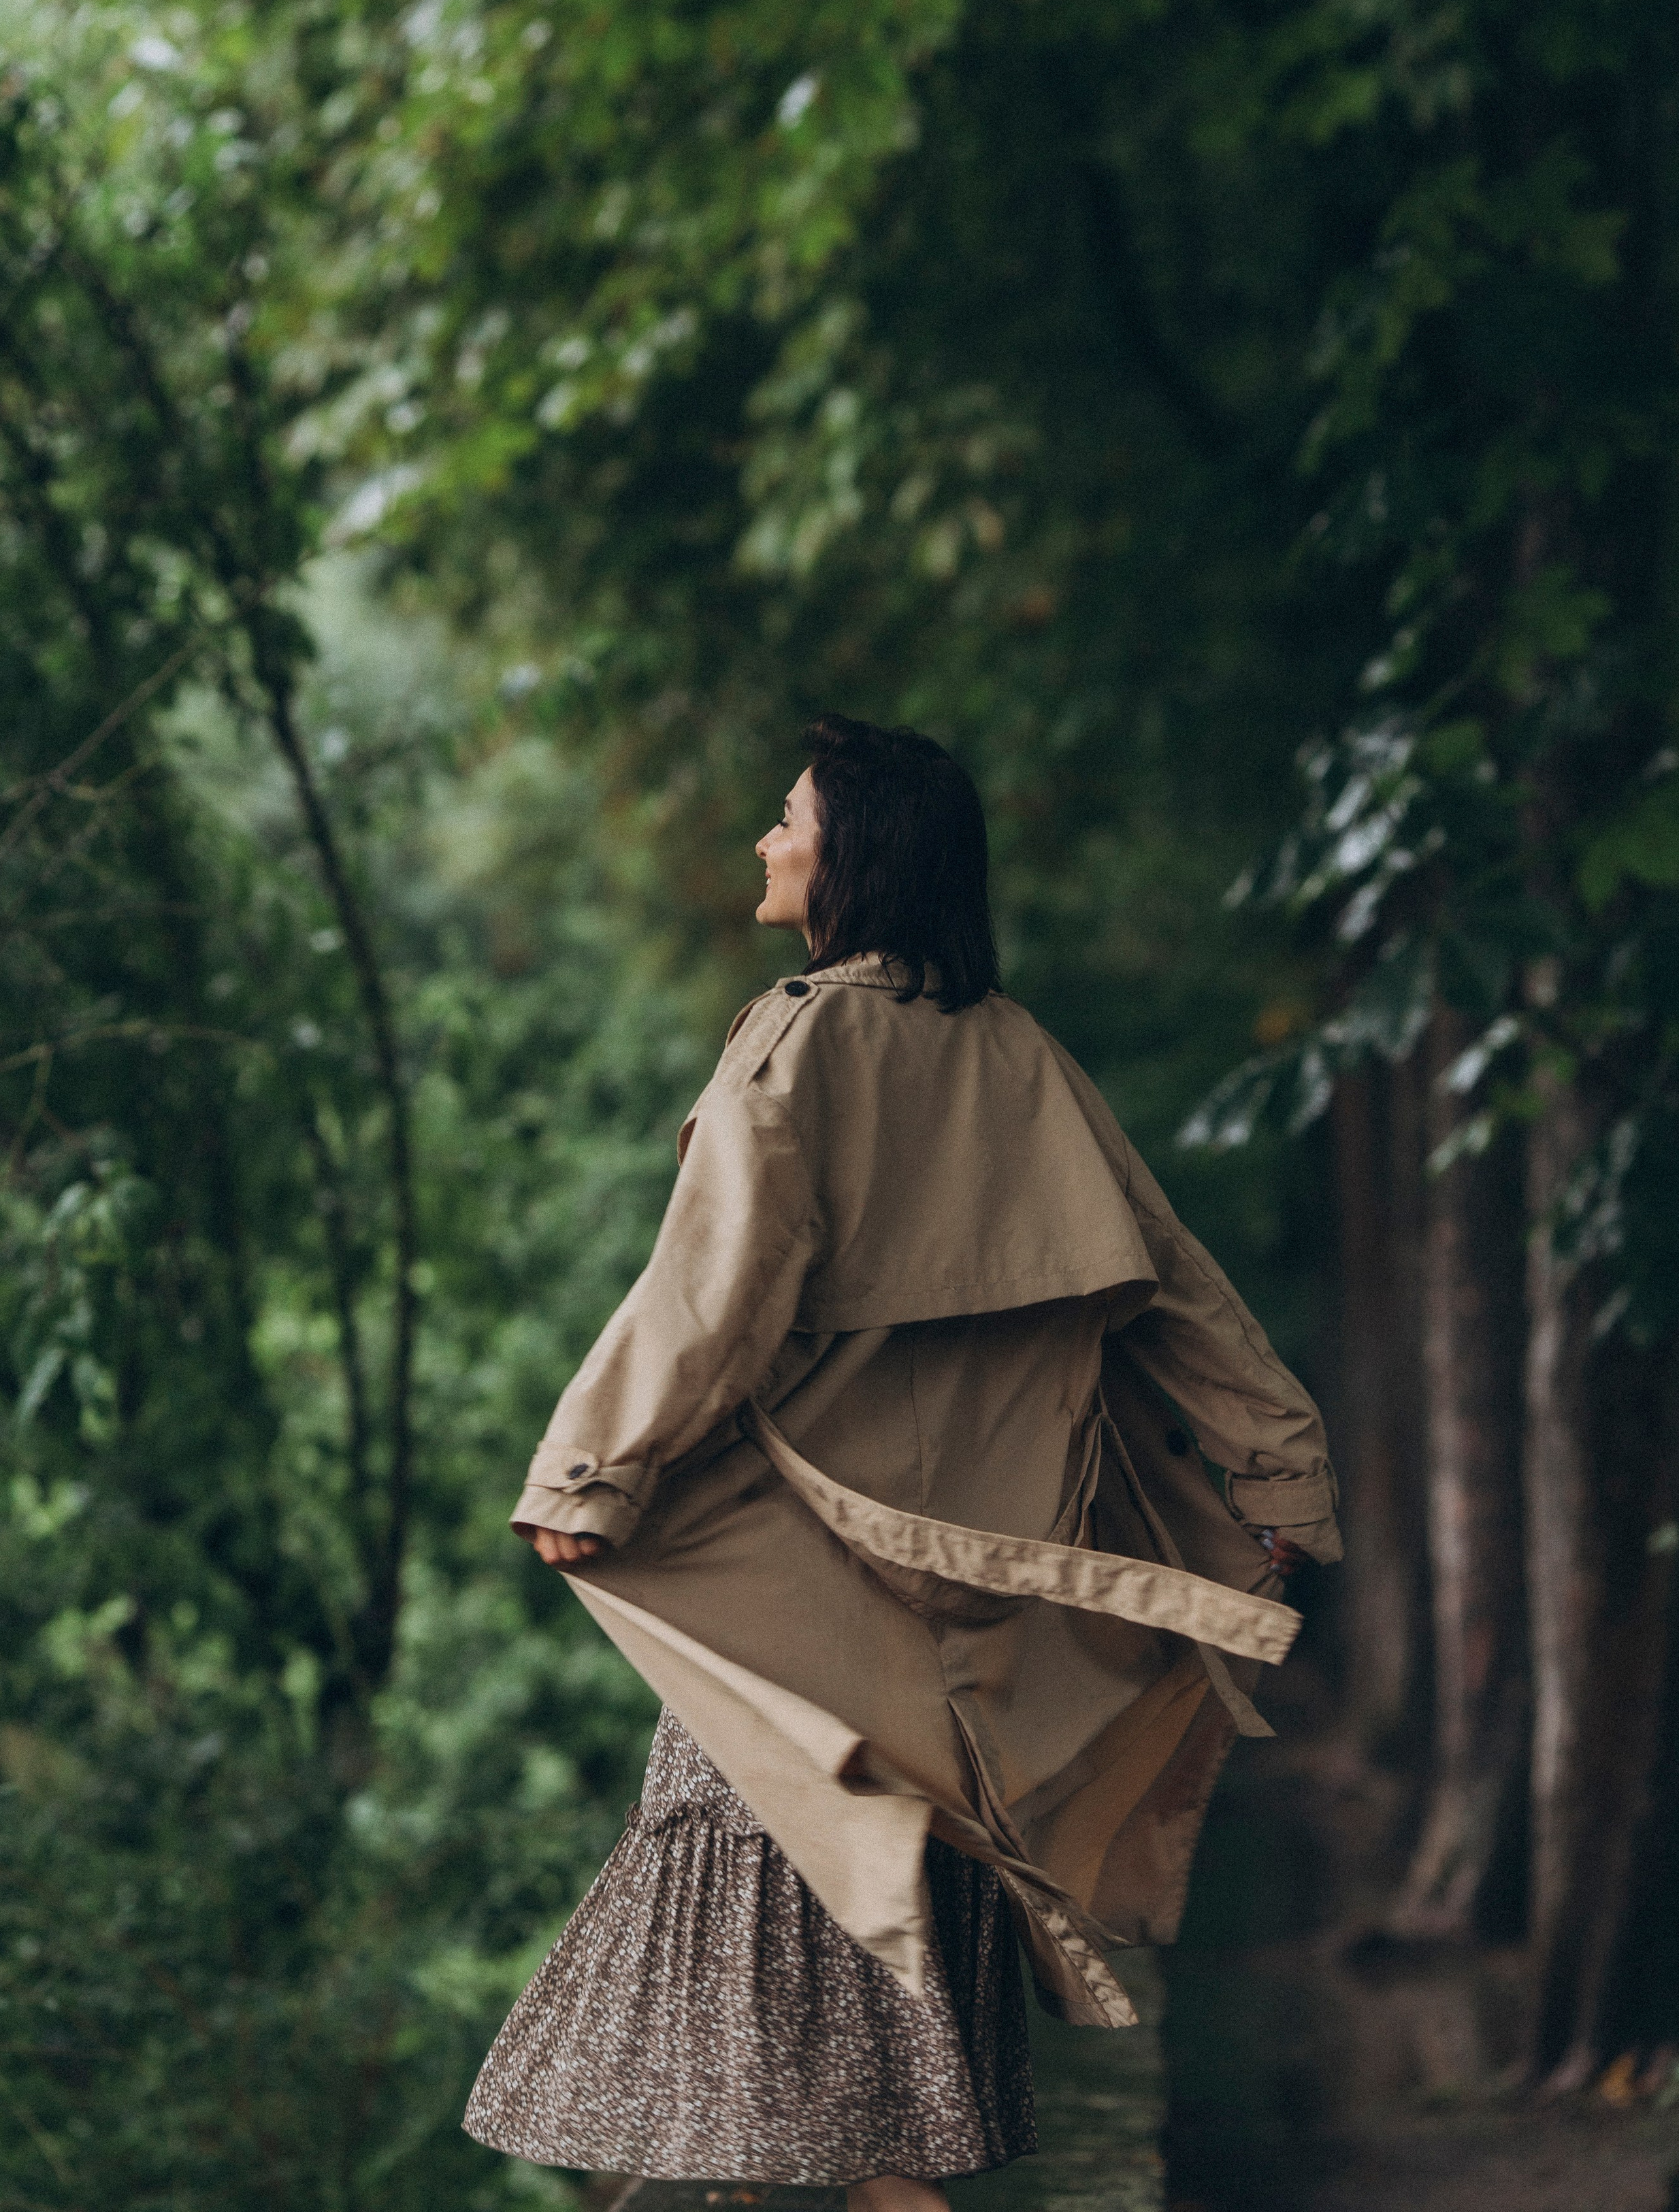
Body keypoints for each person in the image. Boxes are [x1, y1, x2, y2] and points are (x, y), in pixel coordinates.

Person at [464, 714, 1340, 2212]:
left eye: (787, 813)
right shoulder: (1022, 1059)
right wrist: (1280, 1478)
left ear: (852, 852)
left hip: (807, 1601)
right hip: (971, 1638)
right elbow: (1177, 1288)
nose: (763, 836)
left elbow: (711, 1289)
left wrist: (588, 1472)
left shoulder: (799, 1037)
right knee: (818, 2054)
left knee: (767, 2051)